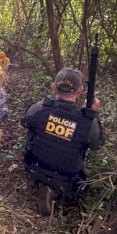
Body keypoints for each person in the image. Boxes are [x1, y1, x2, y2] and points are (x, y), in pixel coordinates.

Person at [21, 67, 104, 216]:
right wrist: (93, 113)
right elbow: (96, 145)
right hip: (66, 177)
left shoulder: (39, 108)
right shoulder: (87, 121)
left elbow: (25, 121)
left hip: (35, 168)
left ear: (53, 86)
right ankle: (55, 191)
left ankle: (44, 185)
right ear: (80, 90)